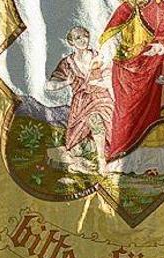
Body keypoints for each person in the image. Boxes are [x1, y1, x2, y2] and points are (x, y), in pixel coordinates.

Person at [100, 0, 164, 175]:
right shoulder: (124, 9)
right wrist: (111, 49)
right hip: (125, 73)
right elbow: (110, 38)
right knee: (125, 116)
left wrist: (161, 46)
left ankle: (152, 166)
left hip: (152, 69)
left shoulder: (158, 7)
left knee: (152, 115)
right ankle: (122, 163)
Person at [46, 25, 114, 173]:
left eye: (85, 36)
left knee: (96, 117)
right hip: (81, 103)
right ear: (71, 42)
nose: (83, 40)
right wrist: (66, 82)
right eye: (78, 38)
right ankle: (94, 156)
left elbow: (111, 78)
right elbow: (49, 86)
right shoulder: (67, 63)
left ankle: (102, 160)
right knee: (79, 143)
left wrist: (99, 82)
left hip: (101, 98)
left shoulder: (99, 57)